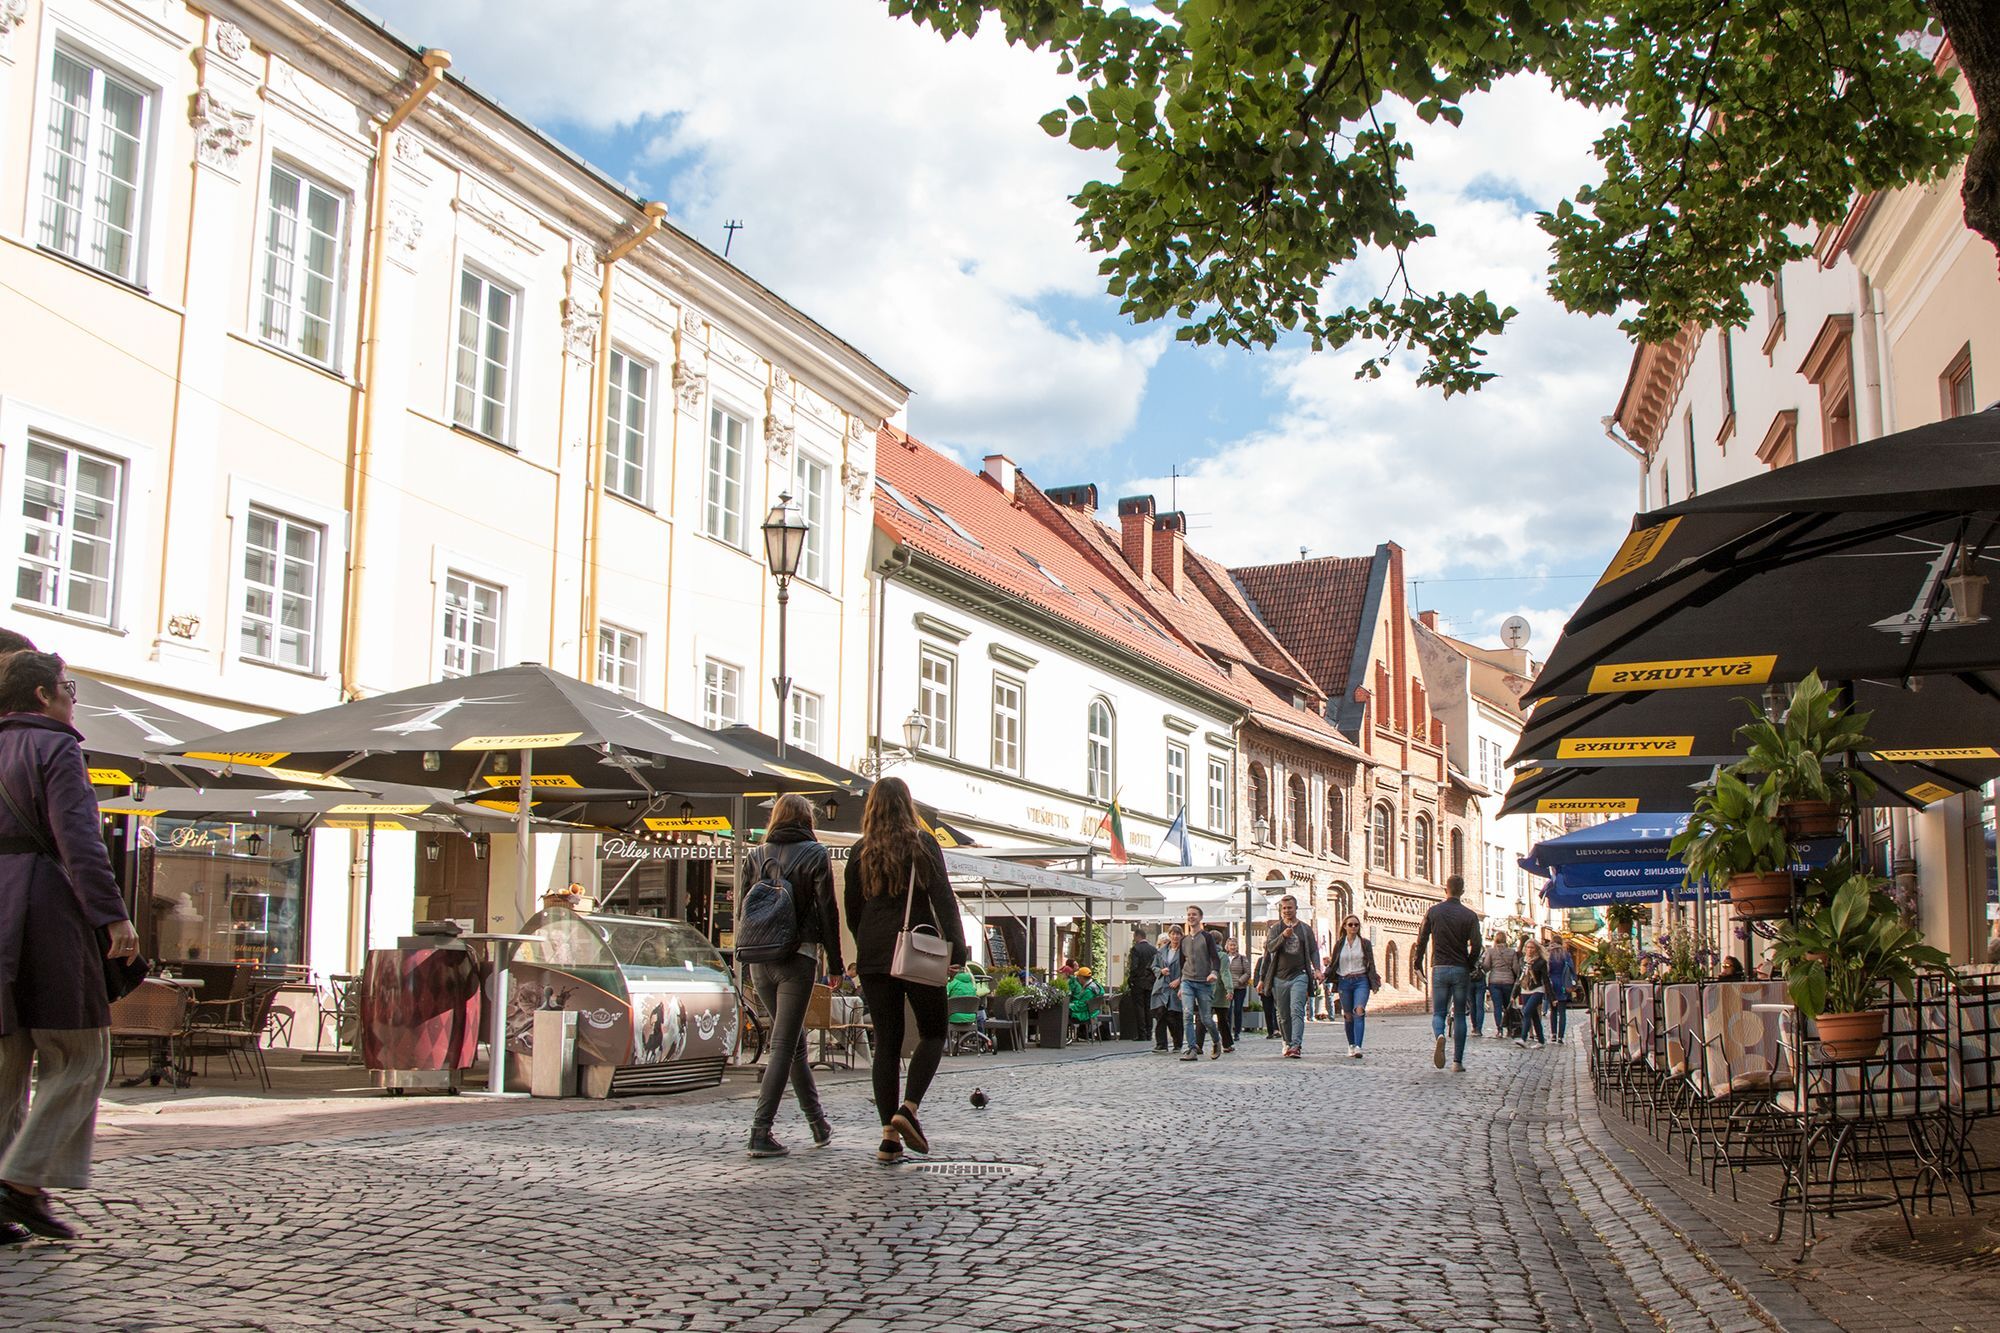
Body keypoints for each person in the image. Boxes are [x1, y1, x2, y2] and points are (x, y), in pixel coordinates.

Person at [0, 651, 140, 1241]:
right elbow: (79, 839)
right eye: (68, 687)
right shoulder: (55, 747)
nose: (72, 697)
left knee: (6, 1065)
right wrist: (114, 918)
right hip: (45, 913)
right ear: (43, 696)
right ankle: (22, 1182)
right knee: (81, 1056)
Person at [842, 776, 967, 1164]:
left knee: (887, 1042)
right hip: (917, 950)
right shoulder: (921, 843)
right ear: (907, 806)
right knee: (932, 1032)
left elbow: (852, 910)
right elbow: (943, 899)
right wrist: (957, 951)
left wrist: (867, 945)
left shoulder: (860, 851)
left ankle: (888, 1138)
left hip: (876, 955)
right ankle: (908, 1108)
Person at [742, 793, 844, 1158]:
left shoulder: (755, 855)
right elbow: (827, 910)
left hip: (759, 960)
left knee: (794, 1041)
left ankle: (818, 1123)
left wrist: (743, 959)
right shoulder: (815, 854)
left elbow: (743, 910)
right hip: (797, 957)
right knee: (784, 1045)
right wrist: (835, 962)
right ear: (807, 820)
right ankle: (760, 1130)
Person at [1411, 875, 1481, 1072]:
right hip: (1460, 969)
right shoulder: (1470, 915)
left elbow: (1422, 940)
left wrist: (1418, 963)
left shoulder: (1434, 912)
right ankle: (1457, 1062)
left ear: (1445, 889)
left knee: (1439, 1012)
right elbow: (1477, 946)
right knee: (1460, 1015)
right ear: (1463, 891)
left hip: (1440, 968)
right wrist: (1469, 963)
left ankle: (1440, 1035)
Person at [1264, 895, 1323, 1058]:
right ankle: (1288, 1042)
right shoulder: (1276, 928)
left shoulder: (1305, 929)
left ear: (1296, 909)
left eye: (1290, 907)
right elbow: (1269, 948)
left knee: (1296, 1010)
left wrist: (1317, 969)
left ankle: (1296, 1045)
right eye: (1284, 908)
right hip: (1279, 977)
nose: (1287, 911)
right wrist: (1283, 936)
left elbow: (1313, 950)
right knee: (1283, 1015)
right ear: (1280, 910)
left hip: (1300, 975)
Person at [1177, 906, 1225, 1062]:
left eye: (1194, 915)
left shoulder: (1206, 937)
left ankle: (1216, 1041)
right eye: (1189, 914)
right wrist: (1180, 983)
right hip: (1187, 981)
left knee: (1206, 1019)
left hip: (1204, 982)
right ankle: (1192, 1048)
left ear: (1200, 917)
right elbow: (1181, 962)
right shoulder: (1183, 940)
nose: (1191, 917)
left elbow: (1215, 958)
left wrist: (1214, 972)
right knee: (1187, 1014)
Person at [1329, 914, 1380, 1059]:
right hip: (1344, 981)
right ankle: (1351, 1044)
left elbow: (1371, 962)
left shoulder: (1365, 943)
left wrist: (1374, 978)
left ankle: (1358, 1047)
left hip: (1361, 980)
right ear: (1344, 926)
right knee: (1348, 1015)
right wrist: (1324, 975)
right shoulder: (1339, 944)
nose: (1353, 927)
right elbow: (1334, 964)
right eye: (1350, 925)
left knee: (1359, 1010)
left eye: (1356, 925)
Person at [1479, 931, 1519, 1042]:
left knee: (1497, 1006)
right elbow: (1516, 968)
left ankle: (1499, 1029)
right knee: (1508, 1006)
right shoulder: (1512, 952)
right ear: (1506, 939)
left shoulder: (1491, 952)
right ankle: (1510, 1029)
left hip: (1495, 981)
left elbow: (1486, 966)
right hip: (1508, 982)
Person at [1151, 927, 1183, 1052]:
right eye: (1173, 934)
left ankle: (1177, 1043)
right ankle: (1161, 1044)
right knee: (1160, 1014)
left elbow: (1189, 968)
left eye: (1178, 934)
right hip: (1162, 987)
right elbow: (1154, 967)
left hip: (1176, 988)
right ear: (1169, 935)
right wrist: (1160, 971)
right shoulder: (1161, 951)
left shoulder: (1184, 952)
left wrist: (1179, 980)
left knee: (1174, 1016)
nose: (1175, 937)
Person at [1514, 940, 1549, 1048]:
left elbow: (1545, 979)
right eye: (1528, 947)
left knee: (1527, 1011)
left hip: (1537, 989)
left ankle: (1523, 1038)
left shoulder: (1540, 962)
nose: (1529, 950)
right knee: (1534, 1017)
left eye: (1532, 948)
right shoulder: (1522, 961)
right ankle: (1541, 1041)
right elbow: (1519, 978)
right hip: (1525, 990)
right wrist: (1513, 995)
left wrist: (1552, 997)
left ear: (1536, 949)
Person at [1207, 926, 1235, 1054]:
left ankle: (1197, 1044)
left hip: (1205, 990)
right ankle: (1227, 1044)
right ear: (1220, 942)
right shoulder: (1222, 955)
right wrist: (1229, 989)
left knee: (1203, 1018)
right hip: (1219, 990)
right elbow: (1225, 973)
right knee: (1223, 1019)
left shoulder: (1203, 954)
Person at [946, 963, 988, 1048]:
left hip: (954, 1017)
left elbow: (945, 996)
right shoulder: (972, 985)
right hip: (971, 1017)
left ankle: (947, 1046)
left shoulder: (952, 984)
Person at [1127, 930, 1157, 1040]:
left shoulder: (1136, 949)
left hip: (1138, 982)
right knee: (1149, 1007)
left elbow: (1134, 966)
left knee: (1139, 1007)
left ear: (1137, 936)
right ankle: (1149, 1033)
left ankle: (1142, 1034)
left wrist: (1131, 978)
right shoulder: (1153, 949)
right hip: (1150, 982)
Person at [1545, 940, 1577, 1044]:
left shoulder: (1548, 954)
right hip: (1563, 983)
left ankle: (1553, 1034)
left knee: (1553, 1011)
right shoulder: (1565, 954)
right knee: (1562, 1012)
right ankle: (1560, 1036)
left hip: (1552, 984)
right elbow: (1572, 969)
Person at [1225, 938, 1250, 1049]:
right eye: (1231, 945)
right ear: (1227, 946)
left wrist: (1240, 980)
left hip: (1239, 988)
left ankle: (1237, 1032)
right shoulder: (1224, 957)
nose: (1233, 947)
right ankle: (1228, 1031)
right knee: (1228, 1010)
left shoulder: (1242, 958)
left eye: (1234, 945)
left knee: (1237, 1010)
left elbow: (1248, 972)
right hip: (1228, 988)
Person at [1067, 966, 1104, 1039]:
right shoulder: (1096, 986)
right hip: (1094, 1012)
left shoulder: (1088, 991)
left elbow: (1081, 1007)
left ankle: (1064, 1037)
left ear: (1081, 978)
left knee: (1063, 1012)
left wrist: (1069, 1005)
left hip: (1086, 1014)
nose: (1077, 978)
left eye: (1078, 976)